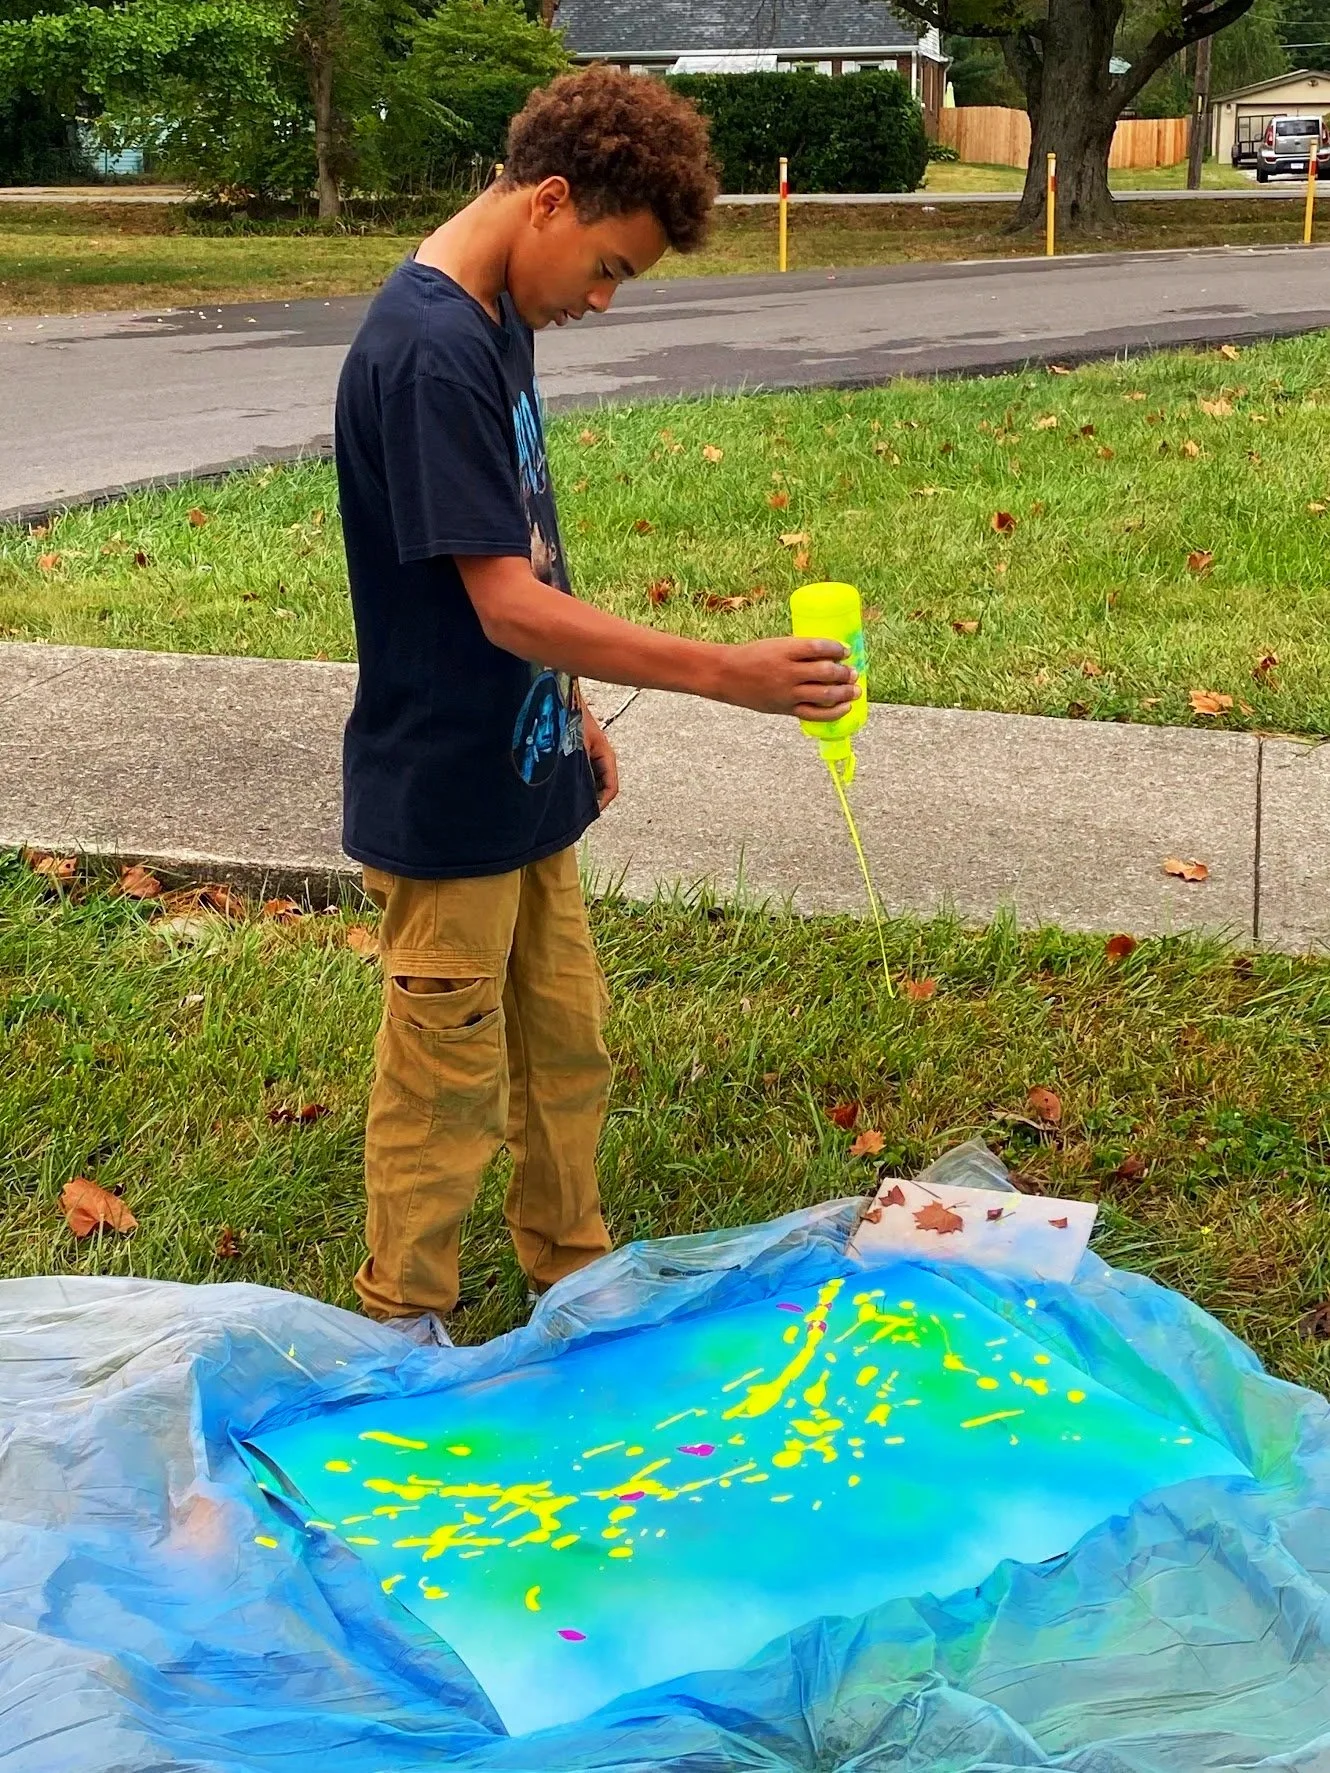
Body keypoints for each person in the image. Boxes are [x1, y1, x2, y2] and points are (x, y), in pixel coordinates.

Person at [335, 65, 858, 1329]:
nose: (604, 301)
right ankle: (400, 1316)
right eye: (611, 268)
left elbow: (525, 543)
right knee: (444, 1075)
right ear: (550, 203)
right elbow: (500, 603)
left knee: (565, 1043)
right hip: (444, 787)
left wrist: (566, 706)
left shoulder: (500, 314)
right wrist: (723, 673)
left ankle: (571, 1266)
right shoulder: (427, 351)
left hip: (522, 765)